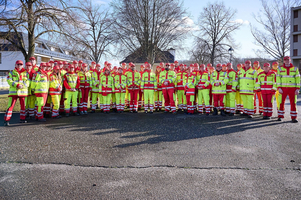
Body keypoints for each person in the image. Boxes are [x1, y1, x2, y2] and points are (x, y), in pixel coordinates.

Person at [4, 60, 30, 126]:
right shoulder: (11, 73)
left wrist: (22, 86)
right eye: (18, 64)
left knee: (23, 106)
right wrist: (17, 85)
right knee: (10, 106)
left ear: (22, 65)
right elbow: (9, 81)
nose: (19, 66)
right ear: (15, 65)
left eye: (21, 64)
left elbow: (28, 82)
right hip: (14, 92)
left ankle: (22, 119)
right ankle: (6, 120)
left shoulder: (26, 73)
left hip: (23, 92)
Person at [277, 56, 300, 123]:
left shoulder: (295, 68)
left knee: (293, 103)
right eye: (285, 60)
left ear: (290, 60)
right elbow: (278, 79)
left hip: (292, 89)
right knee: (281, 102)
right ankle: (280, 116)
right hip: (283, 88)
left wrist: (297, 89)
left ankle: (294, 117)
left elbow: (298, 79)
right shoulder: (280, 68)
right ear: (284, 61)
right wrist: (279, 88)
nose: (287, 61)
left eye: (288, 60)